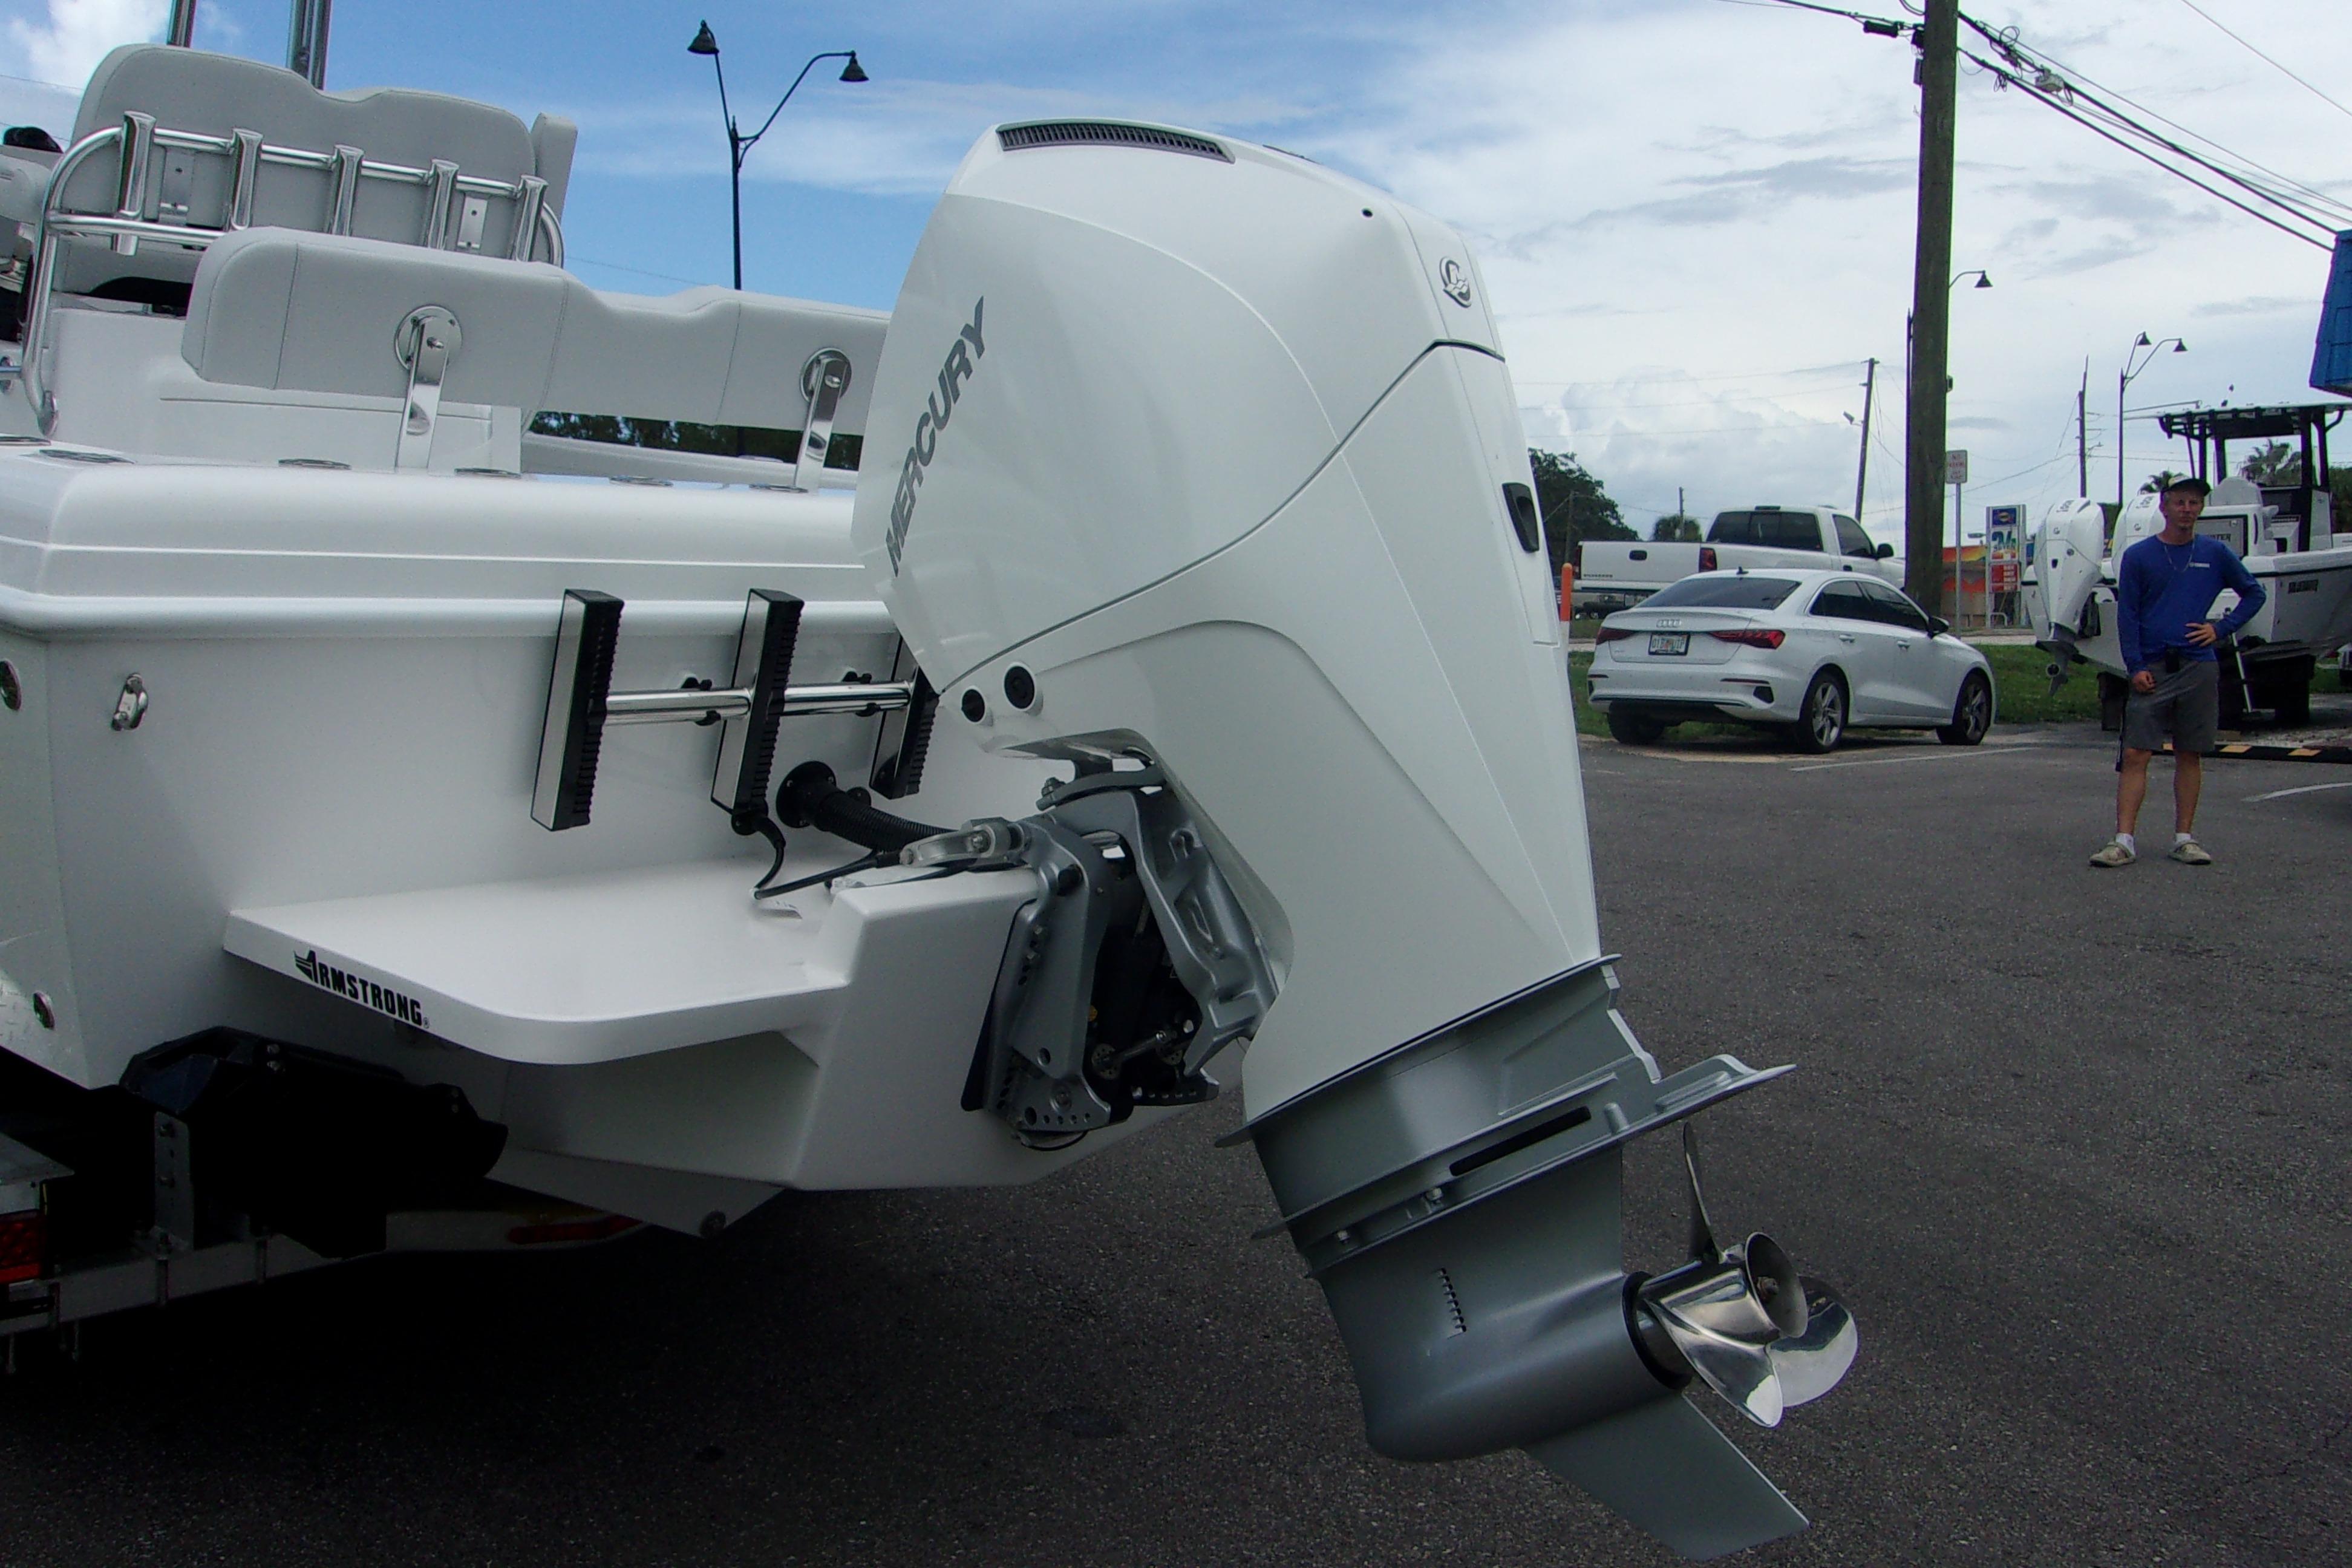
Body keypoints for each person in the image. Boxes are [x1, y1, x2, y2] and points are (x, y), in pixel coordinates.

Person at [2089, 475, 2265, 867]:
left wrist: (2220, 629)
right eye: (2180, 502)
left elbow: (2254, 592)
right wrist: (2134, 666)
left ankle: (2184, 837)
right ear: (2165, 506)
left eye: (2194, 503)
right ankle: (2123, 840)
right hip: (2152, 665)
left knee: (2190, 752)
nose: (2187, 510)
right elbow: (2128, 615)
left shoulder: (2215, 554)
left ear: (2201, 510)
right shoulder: (2139, 557)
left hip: (2198, 666)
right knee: (2136, 752)